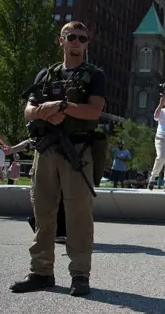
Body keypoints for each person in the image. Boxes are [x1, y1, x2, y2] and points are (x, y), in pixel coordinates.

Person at [10, 21, 106, 296]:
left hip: (77, 150)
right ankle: (41, 272)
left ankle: (79, 275)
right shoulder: (46, 74)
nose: (76, 41)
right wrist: (46, 111)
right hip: (46, 149)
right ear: (61, 41)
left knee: (78, 215)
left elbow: (94, 111)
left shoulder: (94, 75)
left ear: (87, 43)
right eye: (71, 37)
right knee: (42, 213)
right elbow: (29, 111)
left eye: (82, 38)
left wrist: (63, 106)